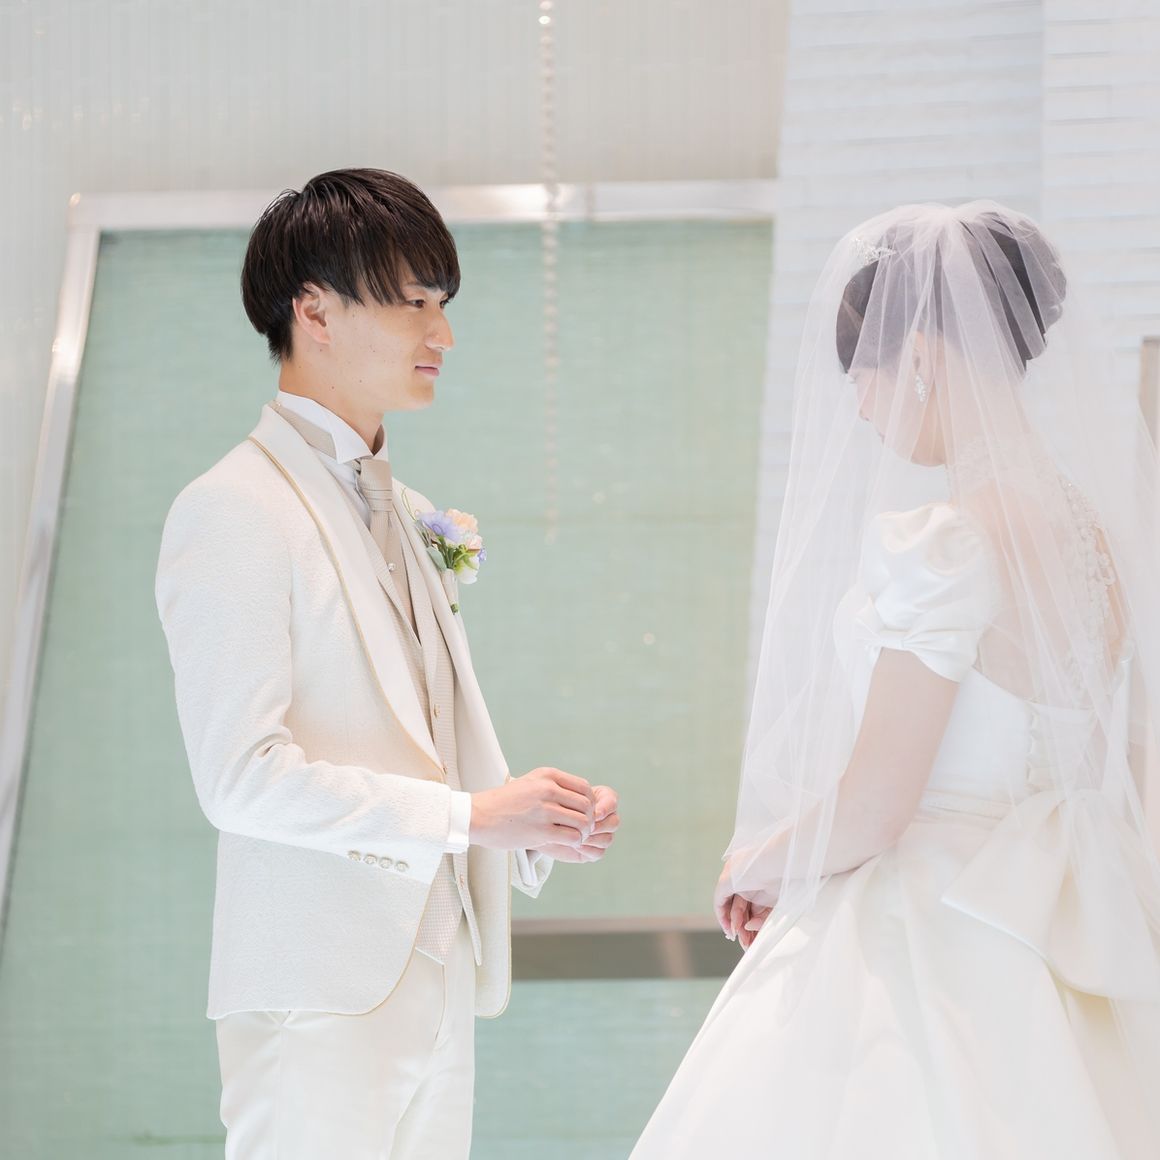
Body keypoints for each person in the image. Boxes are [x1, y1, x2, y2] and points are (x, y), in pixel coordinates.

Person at [632, 202, 1160, 1159]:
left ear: (917, 354)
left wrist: (757, 863)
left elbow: (877, 800)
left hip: (934, 917)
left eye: (862, 376)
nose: (862, 409)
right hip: (1060, 922)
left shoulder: (949, 541)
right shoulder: (1099, 545)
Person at [155, 167, 620, 1160]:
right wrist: (468, 817)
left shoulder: (405, 510)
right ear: (314, 312)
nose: (441, 334)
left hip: (438, 976)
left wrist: (532, 817)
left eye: (441, 304)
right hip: (314, 992)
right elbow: (241, 778)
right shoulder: (233, 507)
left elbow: (422, 729)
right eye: (413, 302)